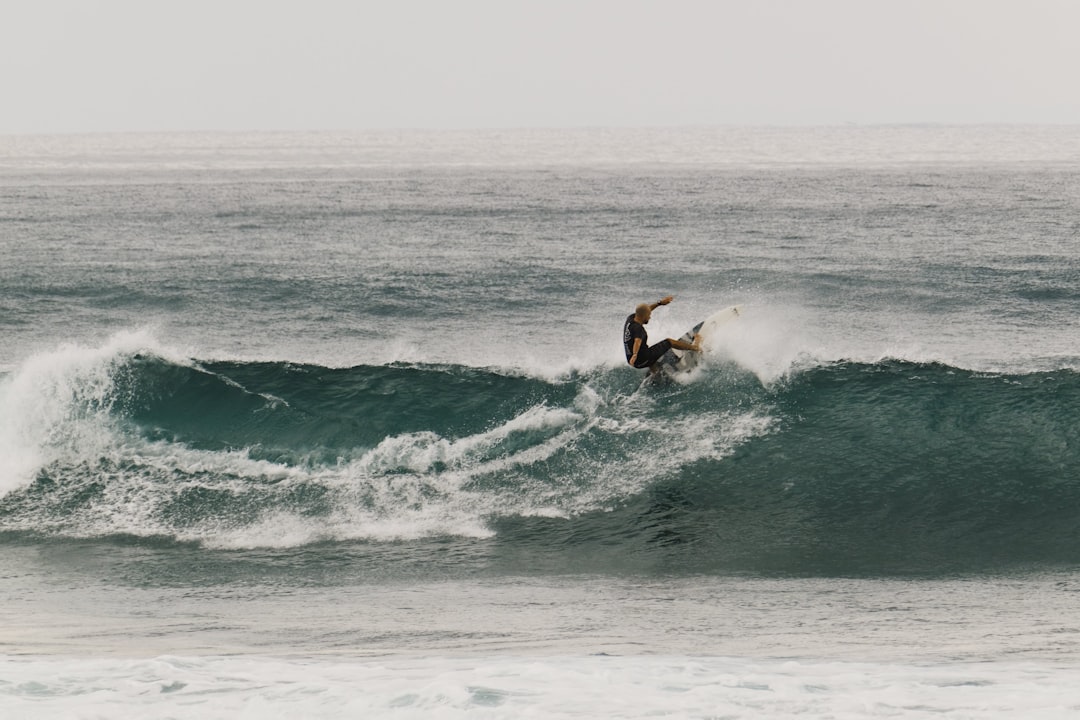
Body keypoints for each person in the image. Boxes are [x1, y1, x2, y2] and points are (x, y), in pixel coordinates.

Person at [623, 295, 701, 373]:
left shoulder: (631, 318)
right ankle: (695, 347)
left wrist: (659, 303)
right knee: (669, 342)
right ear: (643, 316)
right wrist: (635, 355)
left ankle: (654, 371)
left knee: (646, 349)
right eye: (649, 315)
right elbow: (637, 341)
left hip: (632, 360)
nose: (650, 317)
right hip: (640, 359)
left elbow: (646, 310)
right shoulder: (638, 329)